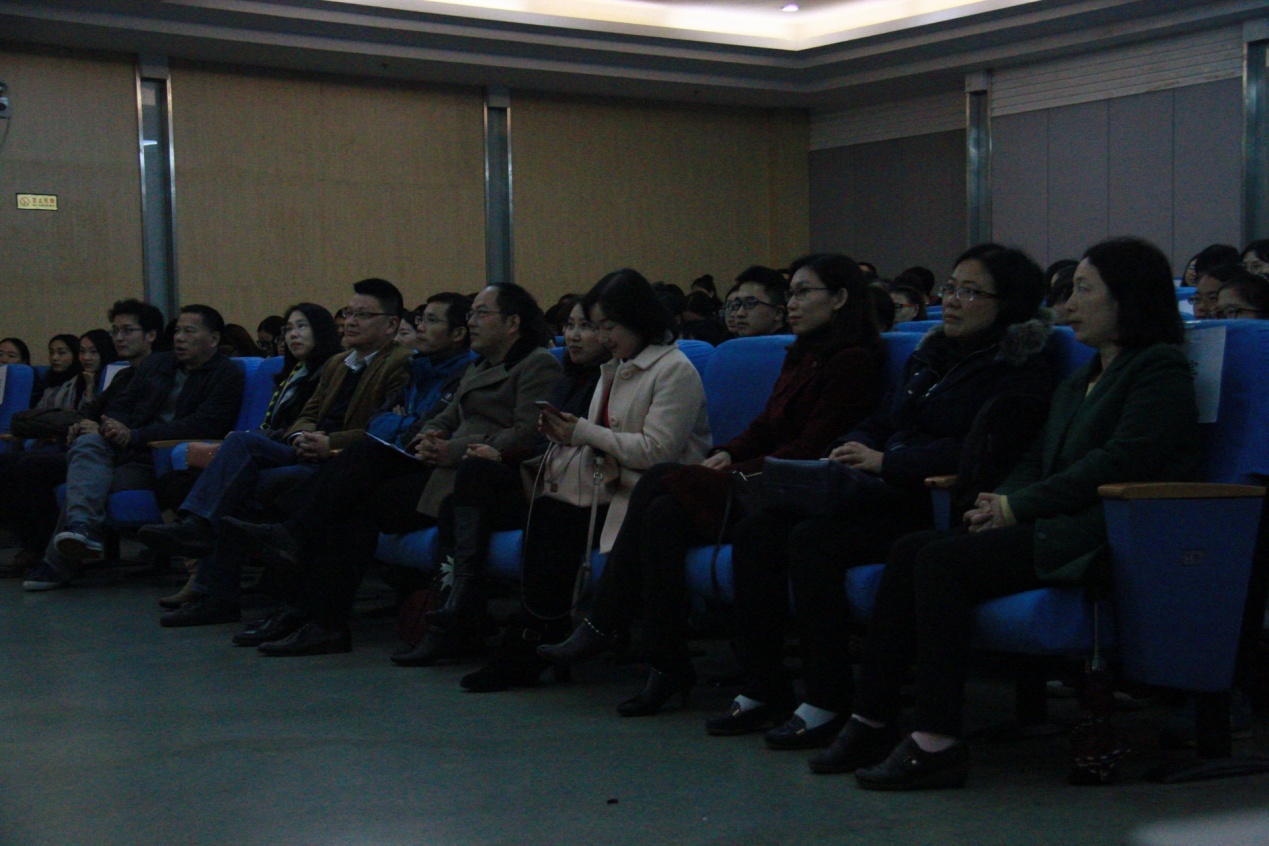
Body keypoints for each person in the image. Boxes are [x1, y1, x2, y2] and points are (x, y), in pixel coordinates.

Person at [818, 236, 1201, 791]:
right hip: (1056, 520)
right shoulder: (1084, 376)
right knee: (911, 549)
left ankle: (937, 739)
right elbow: (1035, 458)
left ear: (1128, 299)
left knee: (942, 562)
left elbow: (1119, 461)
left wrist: (1018, 506)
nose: (1067, 305)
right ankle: (872, 718)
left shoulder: (1158, 367)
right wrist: (998, 502)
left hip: (1106, 531)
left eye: (1083, 290)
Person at [709, 243, 1056, 750]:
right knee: (759, 530)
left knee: (813, 540)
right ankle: (764, 687)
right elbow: (886, 417)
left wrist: (888, 462)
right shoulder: (932, 356)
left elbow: (980, 452)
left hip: (931, 502)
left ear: (1009, 303)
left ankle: (828, 698)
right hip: (881, 489)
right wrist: (856, 445)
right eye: (951, 288)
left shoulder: (1020, 367)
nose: (952, 300)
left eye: (970, 292)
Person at [540, 254, 880, 716]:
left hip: (791, 485)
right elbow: (765, 426)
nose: (791, 304)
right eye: (791, 293)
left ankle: (604, 621)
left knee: (659, 479)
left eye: (802, 293)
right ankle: (665, 662)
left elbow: (811, 444)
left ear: (839, 299)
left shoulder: (851, 361)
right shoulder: (803, 353)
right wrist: (728, 452)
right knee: (661, 514)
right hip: (757, 476)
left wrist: (736, 467)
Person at [218, 282, 560, 655]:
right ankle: (317, 620)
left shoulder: (536, 363)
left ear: (512, 322)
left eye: (481, 313)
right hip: (440, 468)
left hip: (483, 479)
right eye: (470, 313)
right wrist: (430, 435)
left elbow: (529, 433)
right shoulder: (480, 365)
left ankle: (296, 549)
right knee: (353, 506)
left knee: (360, 464)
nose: (472, 321)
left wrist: (452, 449)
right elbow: (444, 417)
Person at [138, 280, 413, 626]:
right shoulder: (338, 363)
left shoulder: (401, 363)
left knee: (236, 489)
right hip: (307, 449)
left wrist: (328, 442)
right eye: (349, 313)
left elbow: (385, 428)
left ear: (390, 324)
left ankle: (216, 592)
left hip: (344, 463)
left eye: (364, 315)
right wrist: (302, 435)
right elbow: (308, 413)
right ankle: (198, 527)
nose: (352, 321)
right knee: (240, 442)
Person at [404, 300, 609, 680]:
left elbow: (533, 434)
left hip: (584, 489)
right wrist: (430, 435)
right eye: (570, 325)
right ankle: (460, 612)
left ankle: (475, 613)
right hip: (545, 476)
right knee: (454, 501)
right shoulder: (567, 376)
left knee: (481, 477)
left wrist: (488, 452)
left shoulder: (562, 369)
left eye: (587, 326)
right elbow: (541, 440)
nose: (573, 335)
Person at [22, 305, 244, 591]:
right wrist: (110, 425)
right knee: (88, 442)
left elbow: (202, 425)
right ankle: (80, 530)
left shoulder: (227, 374)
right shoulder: (157, 364)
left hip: (160, 459)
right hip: (125, 447)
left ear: (213, 339)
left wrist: (134, 435)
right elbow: (123, 403)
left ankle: (57, 564)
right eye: (177, 331)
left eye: (189, 332)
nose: (179, 338)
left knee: (88, 482)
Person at [726, 266, 790, 338]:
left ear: (778, 313)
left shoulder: (793, 343)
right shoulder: (731, 343)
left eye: (750, 303)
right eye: (737, 304)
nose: (739, 314)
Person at [34, 334, 83, 409]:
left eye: (61, 353)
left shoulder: (81, 380)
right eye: (51, 352)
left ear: (75, 355)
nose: (54, 358)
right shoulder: (49, 378)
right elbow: (39, 408)